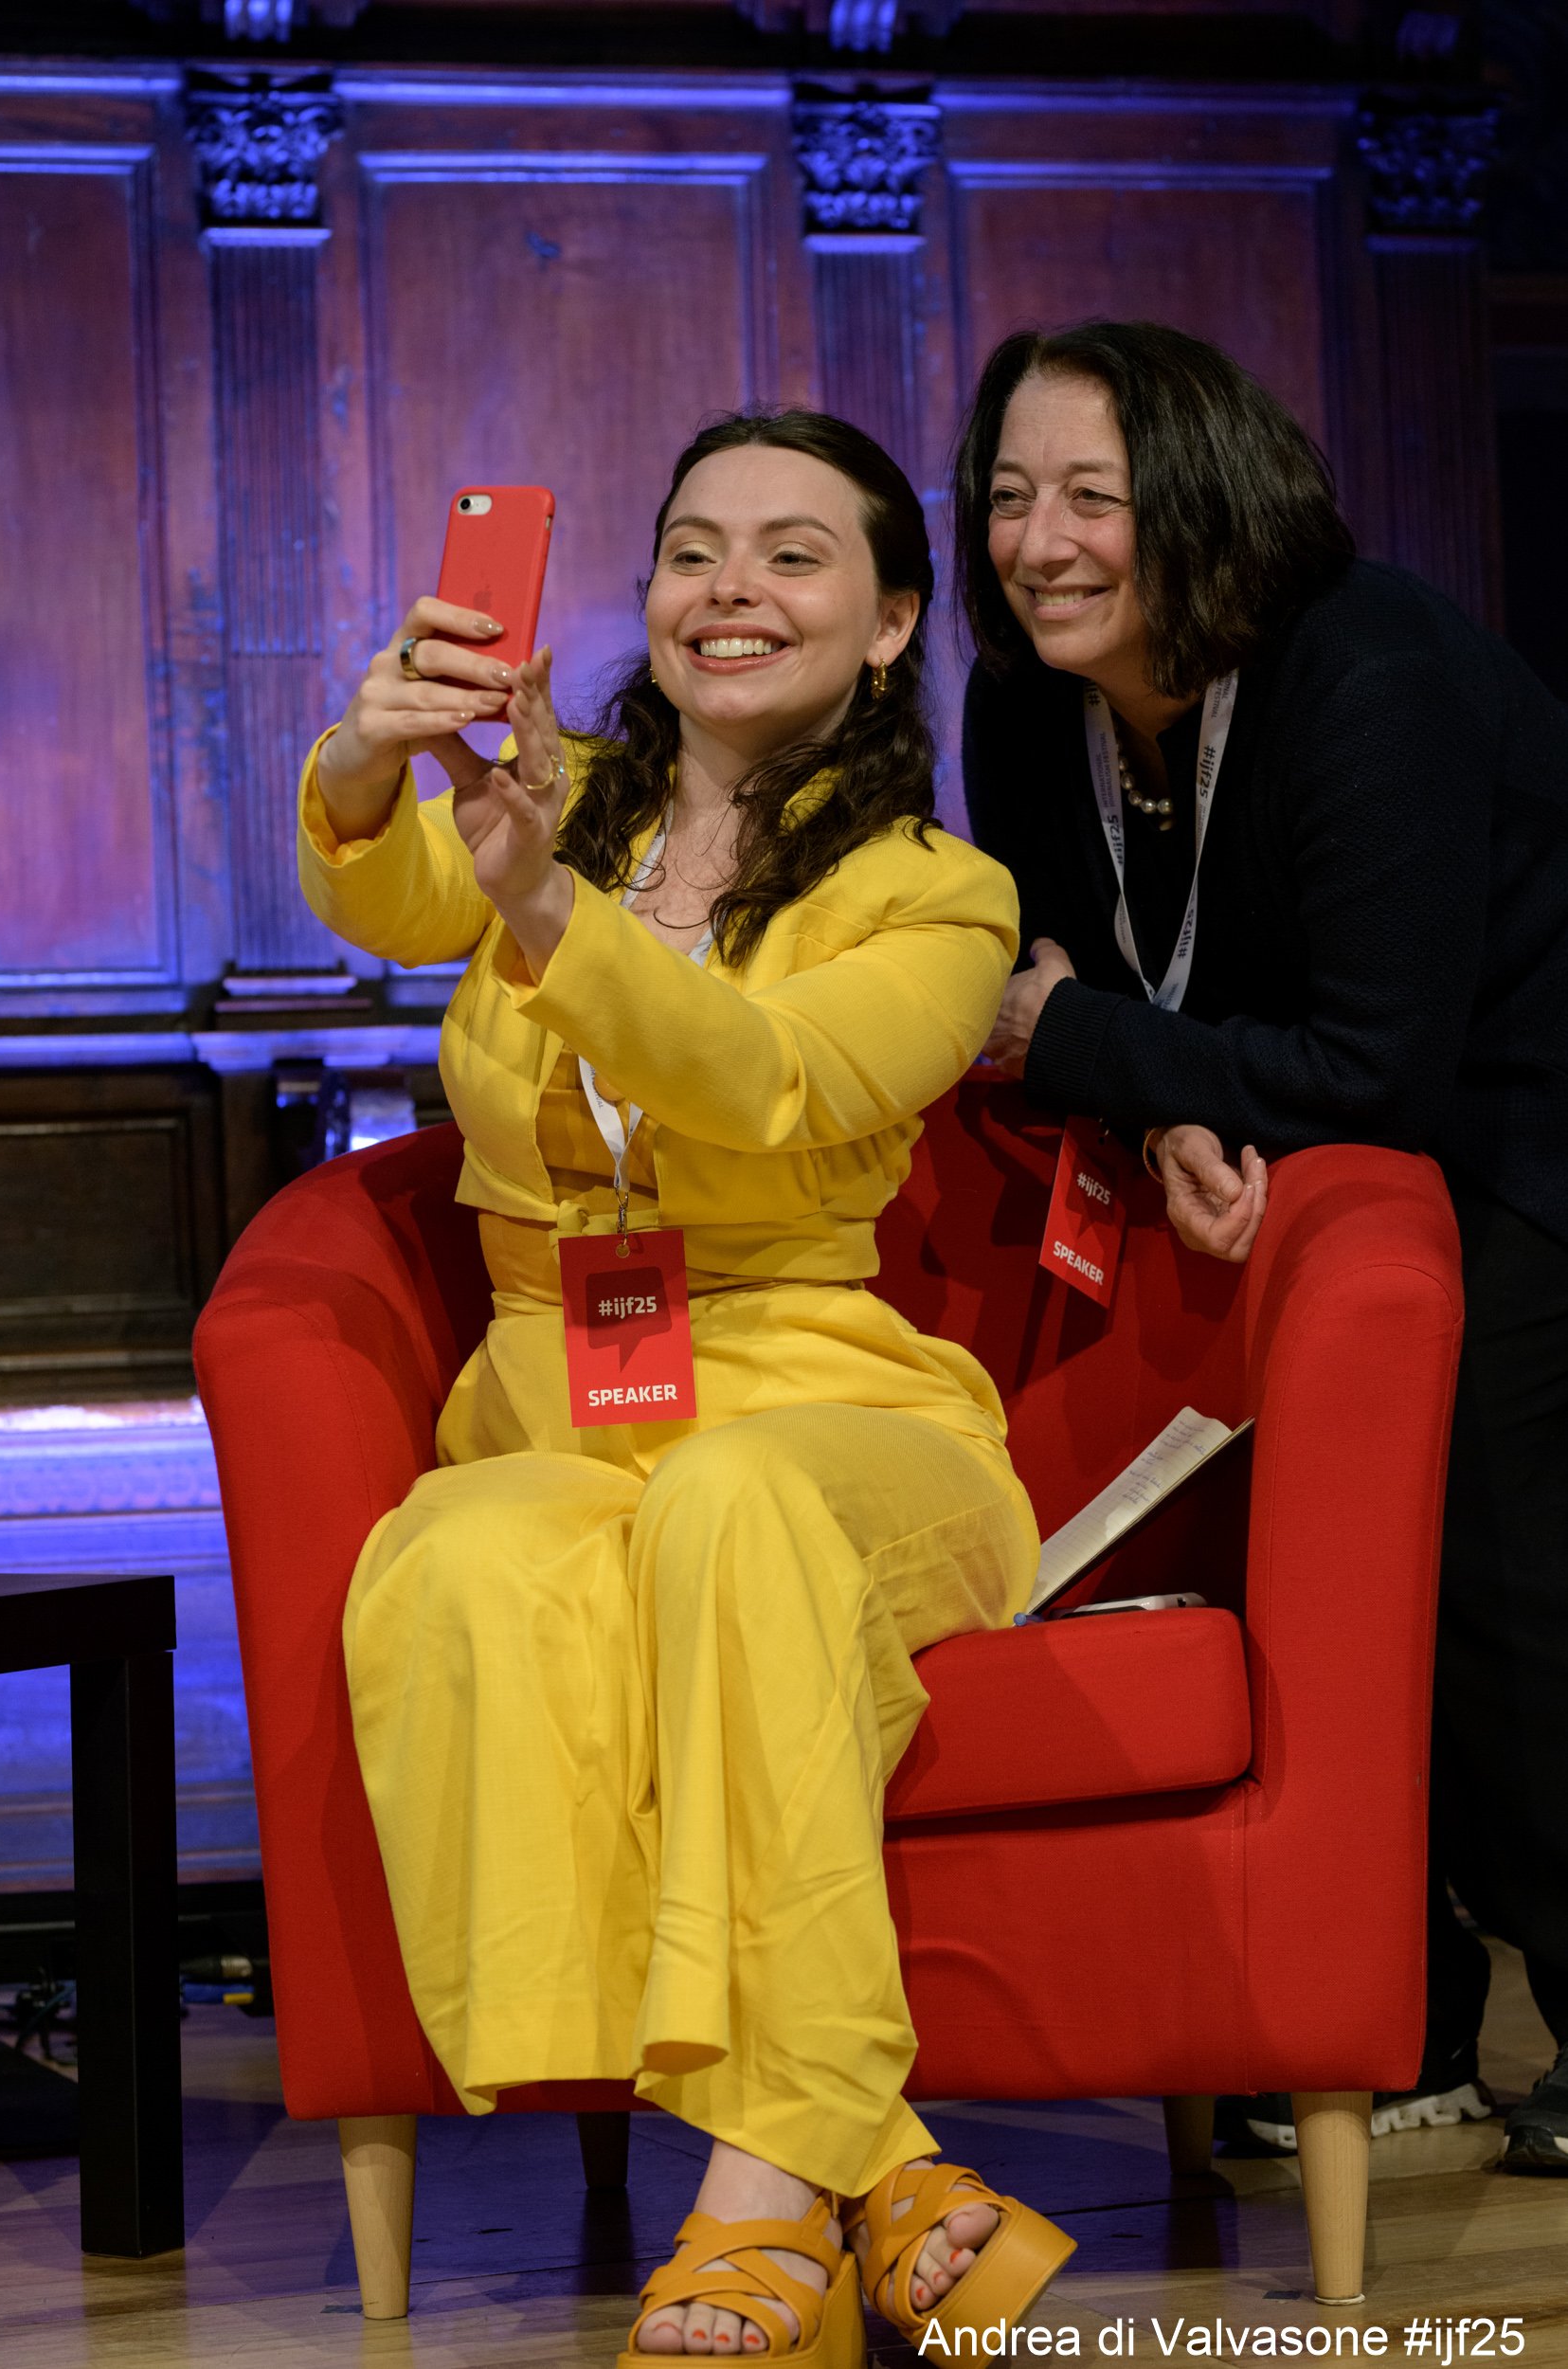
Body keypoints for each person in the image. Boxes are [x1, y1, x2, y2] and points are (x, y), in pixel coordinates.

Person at [297, 408, 1078, 2362]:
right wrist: (373, 747)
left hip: (829, 1403)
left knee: (740, 1509)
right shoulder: (561, 797)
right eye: (695, 548)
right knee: (462, 1556)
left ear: (895, 620)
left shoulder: (937, 892)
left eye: (797, 554)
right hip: (562, 1400)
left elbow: (773, 1083)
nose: (734, 589)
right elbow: (381, 888)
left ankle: (748, 2204)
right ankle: (869, 2163)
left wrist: (550, 908)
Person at [956, 318, 1568, 2174]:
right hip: (1292, 1159)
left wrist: (1081, 1045)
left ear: (1204, 500)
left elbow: (1367, 1055)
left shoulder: (1363, 671)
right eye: (1004, 497)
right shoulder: (1021, 707)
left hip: (1517, 1142)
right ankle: (1400, 2019)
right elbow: (1121, 995)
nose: (1039, 542)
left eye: (1090, 497)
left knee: (1498, 1573)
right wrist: (1165, 1109)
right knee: (1279, 1568)